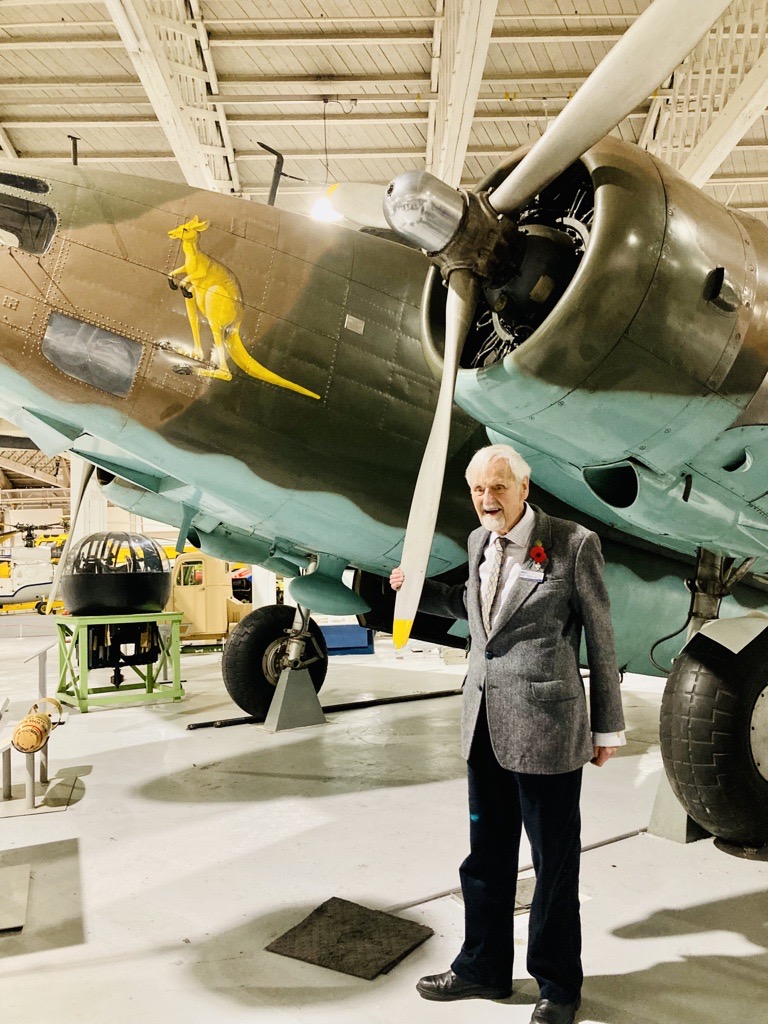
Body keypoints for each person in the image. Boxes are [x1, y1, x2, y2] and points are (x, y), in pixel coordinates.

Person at [390, 443, 625, 1024]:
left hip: (547, 728)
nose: (487, 501)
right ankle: (483, 968)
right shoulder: (476, 544)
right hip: (484, 725)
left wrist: (608, 726)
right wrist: (414, 586)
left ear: (523, 487)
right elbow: (477, 610)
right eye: (478, 491)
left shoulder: (572, 543)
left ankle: (559, 987)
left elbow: (601, 635)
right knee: (486, 858)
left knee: (553, 865)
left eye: (498, 488)